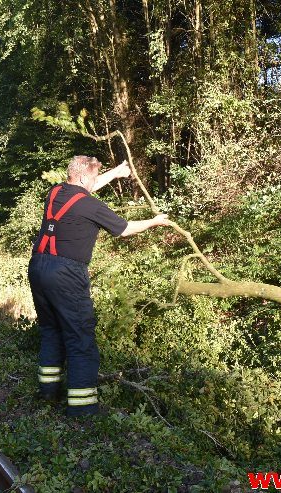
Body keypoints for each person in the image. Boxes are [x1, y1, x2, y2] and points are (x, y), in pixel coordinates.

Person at [28, 155, 171, 417]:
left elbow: (86, 188)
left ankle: (48, 393)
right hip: (66, 274)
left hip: (38, 267)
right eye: (93, 177)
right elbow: (125, 229)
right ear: (82, 178)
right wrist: (154, 222)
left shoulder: (56, 192)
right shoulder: (91, 206)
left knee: (51, 330)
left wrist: (115, 172)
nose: (95, 182)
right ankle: (83, 412)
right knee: (80, 337)